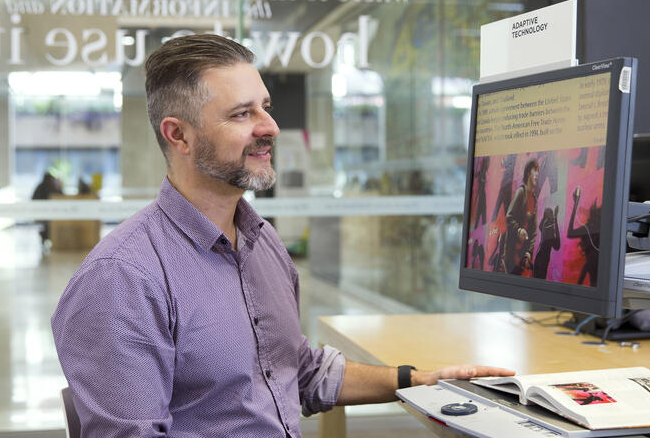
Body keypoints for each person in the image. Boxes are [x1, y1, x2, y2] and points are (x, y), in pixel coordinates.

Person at [51, 34, 514, 438]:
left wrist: (417, 381)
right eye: (241, 114)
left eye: (265, 108)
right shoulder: (122, 279)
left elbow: (296, 373)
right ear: (179, 135)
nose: (270, 127)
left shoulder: (261, 243)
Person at [503, 158, 539, 275]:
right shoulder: (521, 192)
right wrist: (519, 230)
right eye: (535, 170)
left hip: (523, 259)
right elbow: (509, 217)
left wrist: (528, 254)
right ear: (528, 172)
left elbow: (533, 231)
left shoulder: (534, 199)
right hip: (512, 256)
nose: (538, 174)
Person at [31, 172, 63, 244]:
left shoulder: (48, 187)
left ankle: (46, 239)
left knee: (48, 227)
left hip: (48, 214)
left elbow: (60, 196)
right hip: (43, 214)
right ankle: (46, 239)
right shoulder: (42, 188)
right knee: (46, 227)